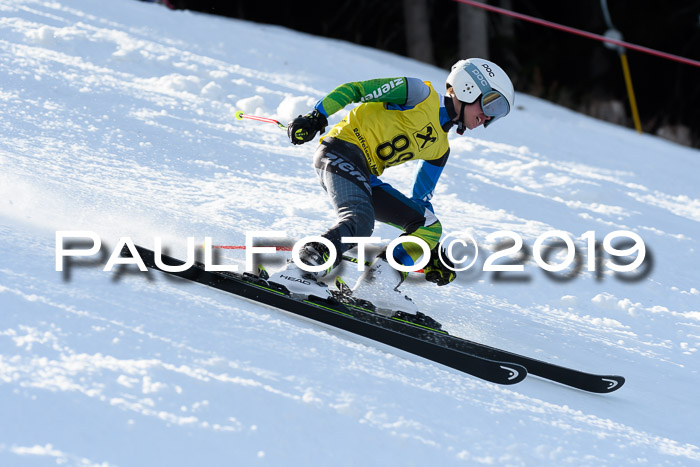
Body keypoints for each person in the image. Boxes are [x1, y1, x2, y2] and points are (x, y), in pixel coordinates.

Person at [270, 58, 515, 312]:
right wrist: (317, 116)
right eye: (490, 103)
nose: (488, 116)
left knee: (428, 227)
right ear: (468, 88)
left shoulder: (440, 148)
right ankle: (300, 268)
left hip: (365, 175)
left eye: (496, 113)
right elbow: (355, 90)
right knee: (361, 221)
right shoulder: (419, 94)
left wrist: (429, 251)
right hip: (339, 151)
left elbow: (421, 204)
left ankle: (377, 284)